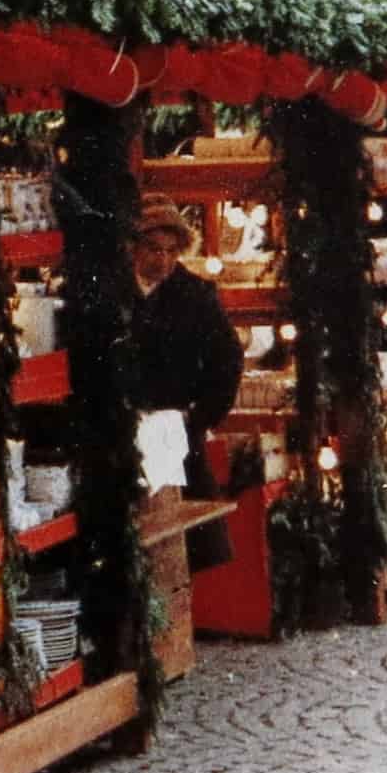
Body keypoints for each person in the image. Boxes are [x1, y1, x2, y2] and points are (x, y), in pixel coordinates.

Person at [130, 196, 243, 569]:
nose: (162, 260)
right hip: (122, 427)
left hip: (175, 429)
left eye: (170, 252)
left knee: (180, 539)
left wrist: (197, 420)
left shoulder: (196, 296)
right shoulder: (112, 291)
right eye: (153, 250)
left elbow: (227, 363)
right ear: (134, 247)